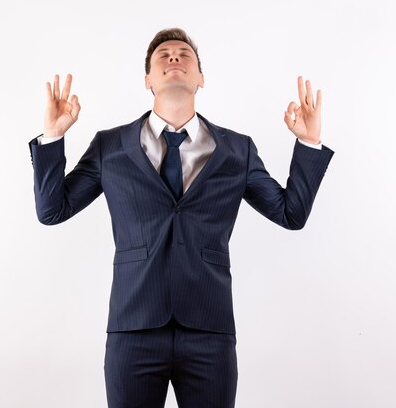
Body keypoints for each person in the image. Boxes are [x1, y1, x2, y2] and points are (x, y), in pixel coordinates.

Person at [28, 27, 334, 408]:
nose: (174, 57)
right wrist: (52, 137)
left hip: (209, 329)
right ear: (148, 80)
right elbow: (52, 210)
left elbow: (292, 213)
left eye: (184, 54)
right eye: (164, 55)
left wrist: (308, 142)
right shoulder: (110, 146)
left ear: (201, 78)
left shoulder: (237, 150)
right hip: (134, 327)